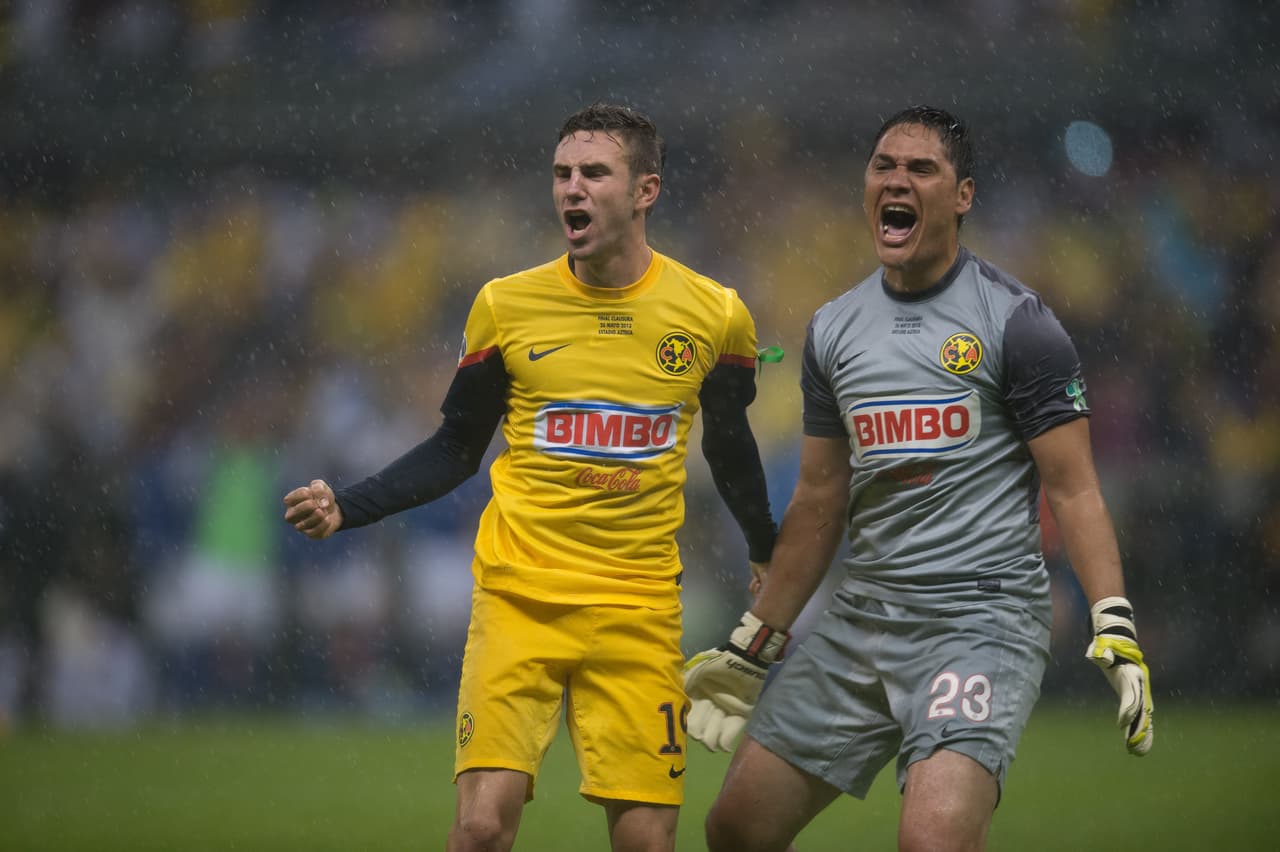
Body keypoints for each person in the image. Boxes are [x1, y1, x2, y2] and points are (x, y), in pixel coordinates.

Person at [283, 102, 776, 852]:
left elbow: (732, 449)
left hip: (637, 605)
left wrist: (765, 548)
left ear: (646, 191)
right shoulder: (505, 306)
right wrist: (348, 506)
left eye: (594, 173)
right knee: (481, 829)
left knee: (647, 844)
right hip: (520, 596)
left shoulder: (714, 315)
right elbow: (456, 448)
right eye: (562, 173)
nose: (572, 189)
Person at [682, 105, 1154, 852]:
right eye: (883, 166)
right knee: (736, 828)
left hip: (979, 621)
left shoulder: (1018, 325)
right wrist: (754, 642)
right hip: (863, 618)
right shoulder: (834, 329)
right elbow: (818, 501)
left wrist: (1114, 622)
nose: (896, 180)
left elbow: (1075, 488)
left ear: (962, 195)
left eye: (920, 168)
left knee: (932, 840)